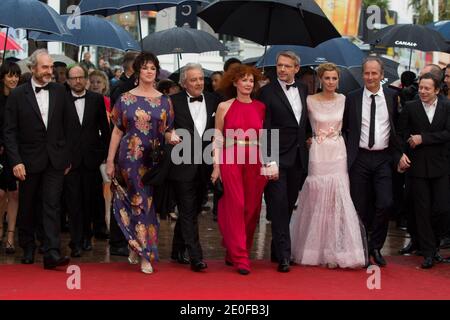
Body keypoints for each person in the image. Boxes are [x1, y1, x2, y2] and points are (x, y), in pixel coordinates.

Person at [4, 49, 76, 269]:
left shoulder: (60, 91)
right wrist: (16, 161)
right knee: (27, 205)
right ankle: (27, 245)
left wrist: (66, 158)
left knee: (51, 204)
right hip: (27, 161)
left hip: (55, 160)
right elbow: (9, 131)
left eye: (51, 66)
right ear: (33, 68)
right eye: (45, 67)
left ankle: (51, 251)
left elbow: (69, 126)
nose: (49, 71)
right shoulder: (18, 95)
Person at [289, 63, 367, 269]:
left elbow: (351, 126)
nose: (331, 82)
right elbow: (301, 126)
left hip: (338, 152)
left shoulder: (344, 100)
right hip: (317, 151)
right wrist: (307, 139)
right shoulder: (310, 100)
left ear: (338, 80)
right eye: (327, 78)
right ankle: (314, 250)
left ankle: (338, 250)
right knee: (317, 196)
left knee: (338, 198)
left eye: (334, 78)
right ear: (320, 79)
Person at [105, 52, 174, 274]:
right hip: (130, 158)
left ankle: (135, 244)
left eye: (153, 68)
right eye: (144, 67)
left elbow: (167, 130)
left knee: (147, 203)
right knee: (139, 199)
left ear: (157, 71)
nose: (149, 71)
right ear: (137, 70)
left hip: (153, 159)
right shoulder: (125, 98)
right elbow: (117, 131)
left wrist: (171, 137)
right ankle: (146, 254)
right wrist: (109, 161)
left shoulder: (165, 101)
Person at [343, 56, 404, 267]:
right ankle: (360, 249)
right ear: (363, 75)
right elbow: (343, 128)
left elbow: (398, 129)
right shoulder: (351, 98)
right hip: (359, 157)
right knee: (359, 206)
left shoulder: (392, 96)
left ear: (382, 75)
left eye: (374, 73)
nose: (370, 77)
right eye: (367, 73)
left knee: (386, 202)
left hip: (383, 158)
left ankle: (375, 246)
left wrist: (400, 154)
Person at [212, 64, 270, 275]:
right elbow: (217, 136)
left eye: (251, 81)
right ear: (235, 82)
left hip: (255, 160)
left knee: (252, 209)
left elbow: (265, 139)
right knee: (236, 204)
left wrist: (269, 165)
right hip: (231, 157)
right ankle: (241, 257)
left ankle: (234, 249)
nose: (248, 84)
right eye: (243, 80)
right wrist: (216, 165)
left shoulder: (261, 107)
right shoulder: (224, 106)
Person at [258, 51, 309, 273]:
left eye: (287, 66)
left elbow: (302, 123)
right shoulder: (266, 92)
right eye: (279, 65)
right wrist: (268, 161)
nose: (282, 69)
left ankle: (277, 249)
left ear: (296, 69)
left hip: (298, 157)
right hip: (276, 157)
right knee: (277, 206)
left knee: (288, 205)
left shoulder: (305, 89)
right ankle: (285, 256)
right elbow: (265, 129)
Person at [167, 63, 219, 272]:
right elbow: (163, 127)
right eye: (193, 79)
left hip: (205, 165)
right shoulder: (172, 102)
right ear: (183, 83)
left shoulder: (215, 100)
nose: (198, 83)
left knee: (195, 208)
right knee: (188, 209)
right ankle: (195, 256)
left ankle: (177, 249)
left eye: (200, 79)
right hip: (182, 163)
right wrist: (168, 134)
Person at [397, 72, 450, 268]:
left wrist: (423, 138)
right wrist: (401, 156)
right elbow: (401, 134)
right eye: (420, 88)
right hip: (417, 167)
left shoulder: (447, 106)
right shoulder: (411, 107)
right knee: (422, 210)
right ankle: (428, 252)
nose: (423, 91)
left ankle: (435, 245)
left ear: (437, 90)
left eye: (427, 88)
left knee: (442, 208)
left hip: (441, 166)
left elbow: (448, 133)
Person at [64, 65, 111, 257]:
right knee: (73, 202)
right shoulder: (62, 100)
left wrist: (102, 154)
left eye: (80, 77)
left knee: (90, 200)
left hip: (91, 160)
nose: (77, 81)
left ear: (86, 79)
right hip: (70, 161)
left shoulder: (96, 99)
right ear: (67, 81)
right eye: (73, 78)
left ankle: (86, 236)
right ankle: (75, 241)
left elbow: (105, 130)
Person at [0, 61, 21, 254]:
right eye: (9, 75)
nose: (13, 79)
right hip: (0, 153)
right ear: (2, 77)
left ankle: (10, 236)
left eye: (16, 75)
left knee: (14, 194)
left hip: (15, 152)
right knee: (0, 194)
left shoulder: (21, 98)